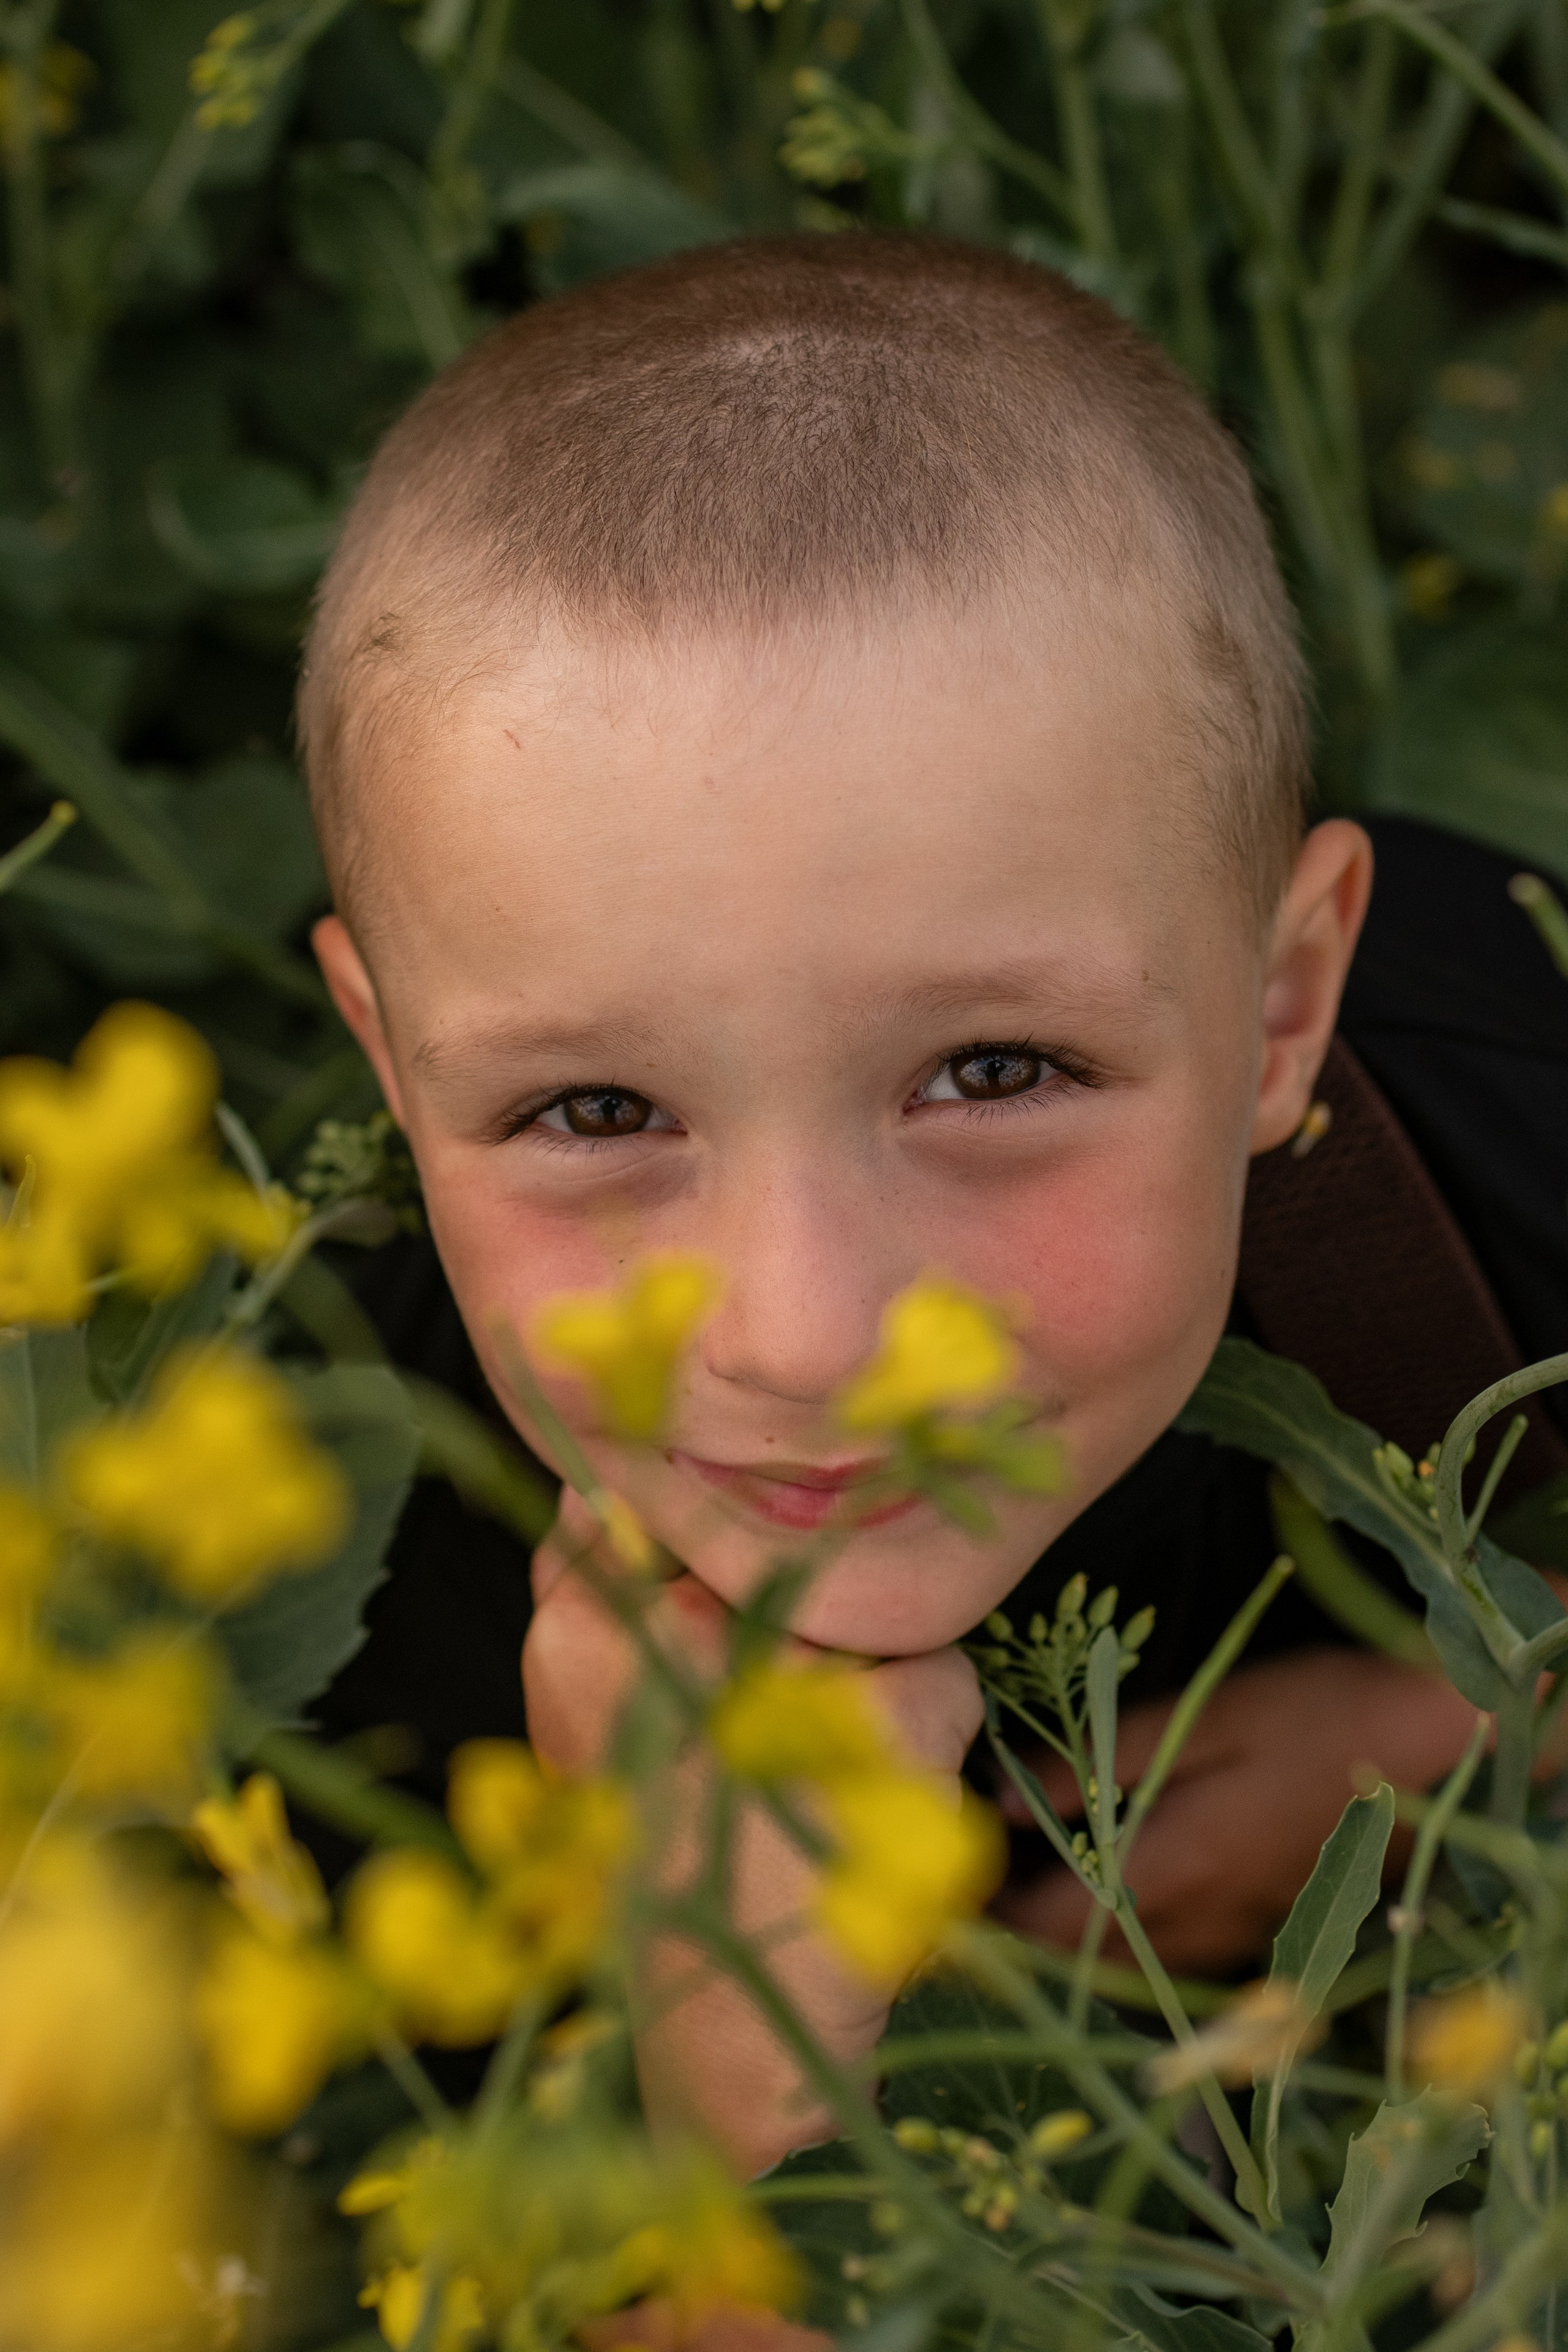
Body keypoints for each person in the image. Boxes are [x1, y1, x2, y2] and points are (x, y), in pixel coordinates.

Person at [295, 233, 1568, 2180]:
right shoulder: (330, 1588)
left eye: (994, 1074)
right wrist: (732, 2063)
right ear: (395, 1074)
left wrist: (1467, 1731)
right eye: (595, 1110)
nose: (806, 1332)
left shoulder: (1497, 1097)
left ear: (1281, 1006)